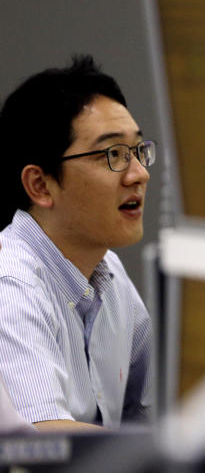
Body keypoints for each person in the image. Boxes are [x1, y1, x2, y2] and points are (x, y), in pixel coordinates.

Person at [0, 55, 155, 431]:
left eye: (137, 151)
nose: (139, 174)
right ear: (40, 185)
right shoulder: (11, 284)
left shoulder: (108, 271)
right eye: (113, 155)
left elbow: (155, 410)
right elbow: (47, 442)